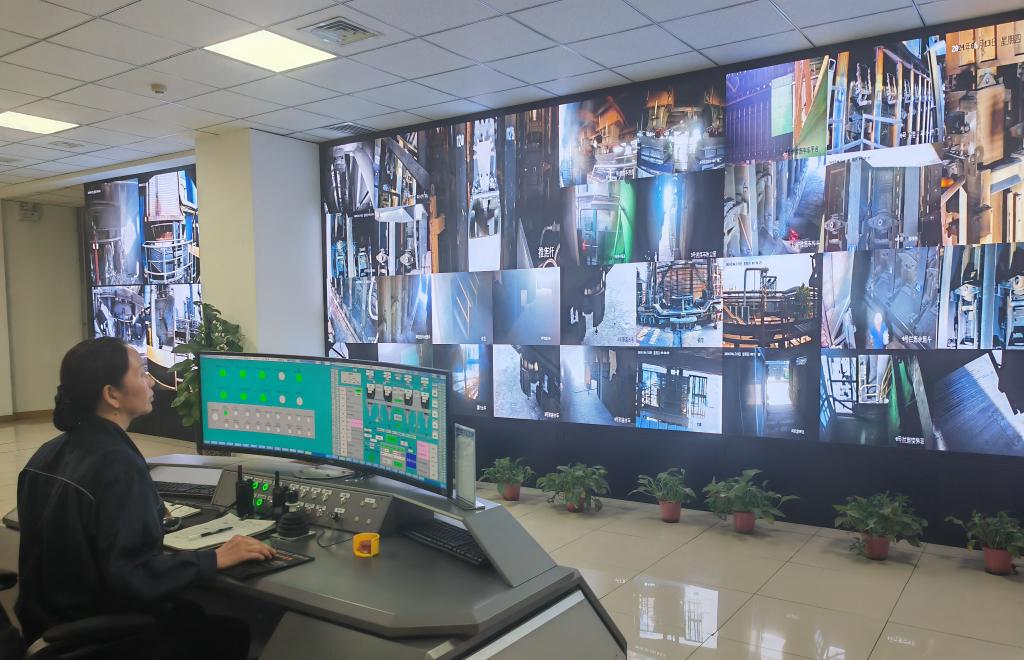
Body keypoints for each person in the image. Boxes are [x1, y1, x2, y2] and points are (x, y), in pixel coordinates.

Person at [15, 338, 273, 659]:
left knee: (194, 613)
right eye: (141, 373)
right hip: (95, 636)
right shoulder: (117, 464)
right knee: (231, 633)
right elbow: (134, 576)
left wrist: (146, 513)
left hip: (47, 627)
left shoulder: (46, 454)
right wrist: (216, 557)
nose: (150, 381)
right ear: (112, 395)